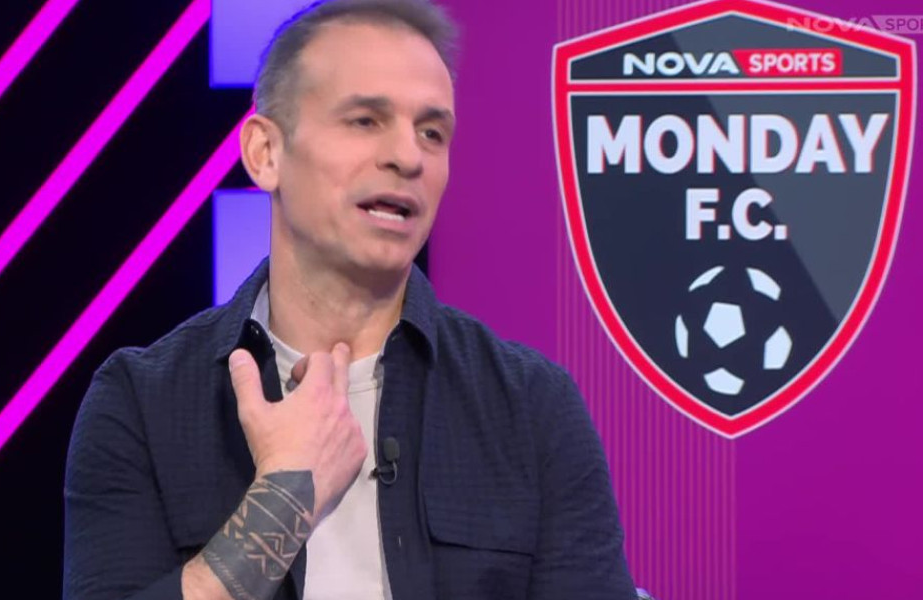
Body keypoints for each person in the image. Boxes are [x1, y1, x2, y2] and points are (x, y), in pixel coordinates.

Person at [62, 1, 636, 599]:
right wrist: (281, 500)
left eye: (432, 132)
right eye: (365, 120)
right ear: (265, 153)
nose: (408, 157)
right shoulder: (143, 403)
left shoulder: (531, 408)